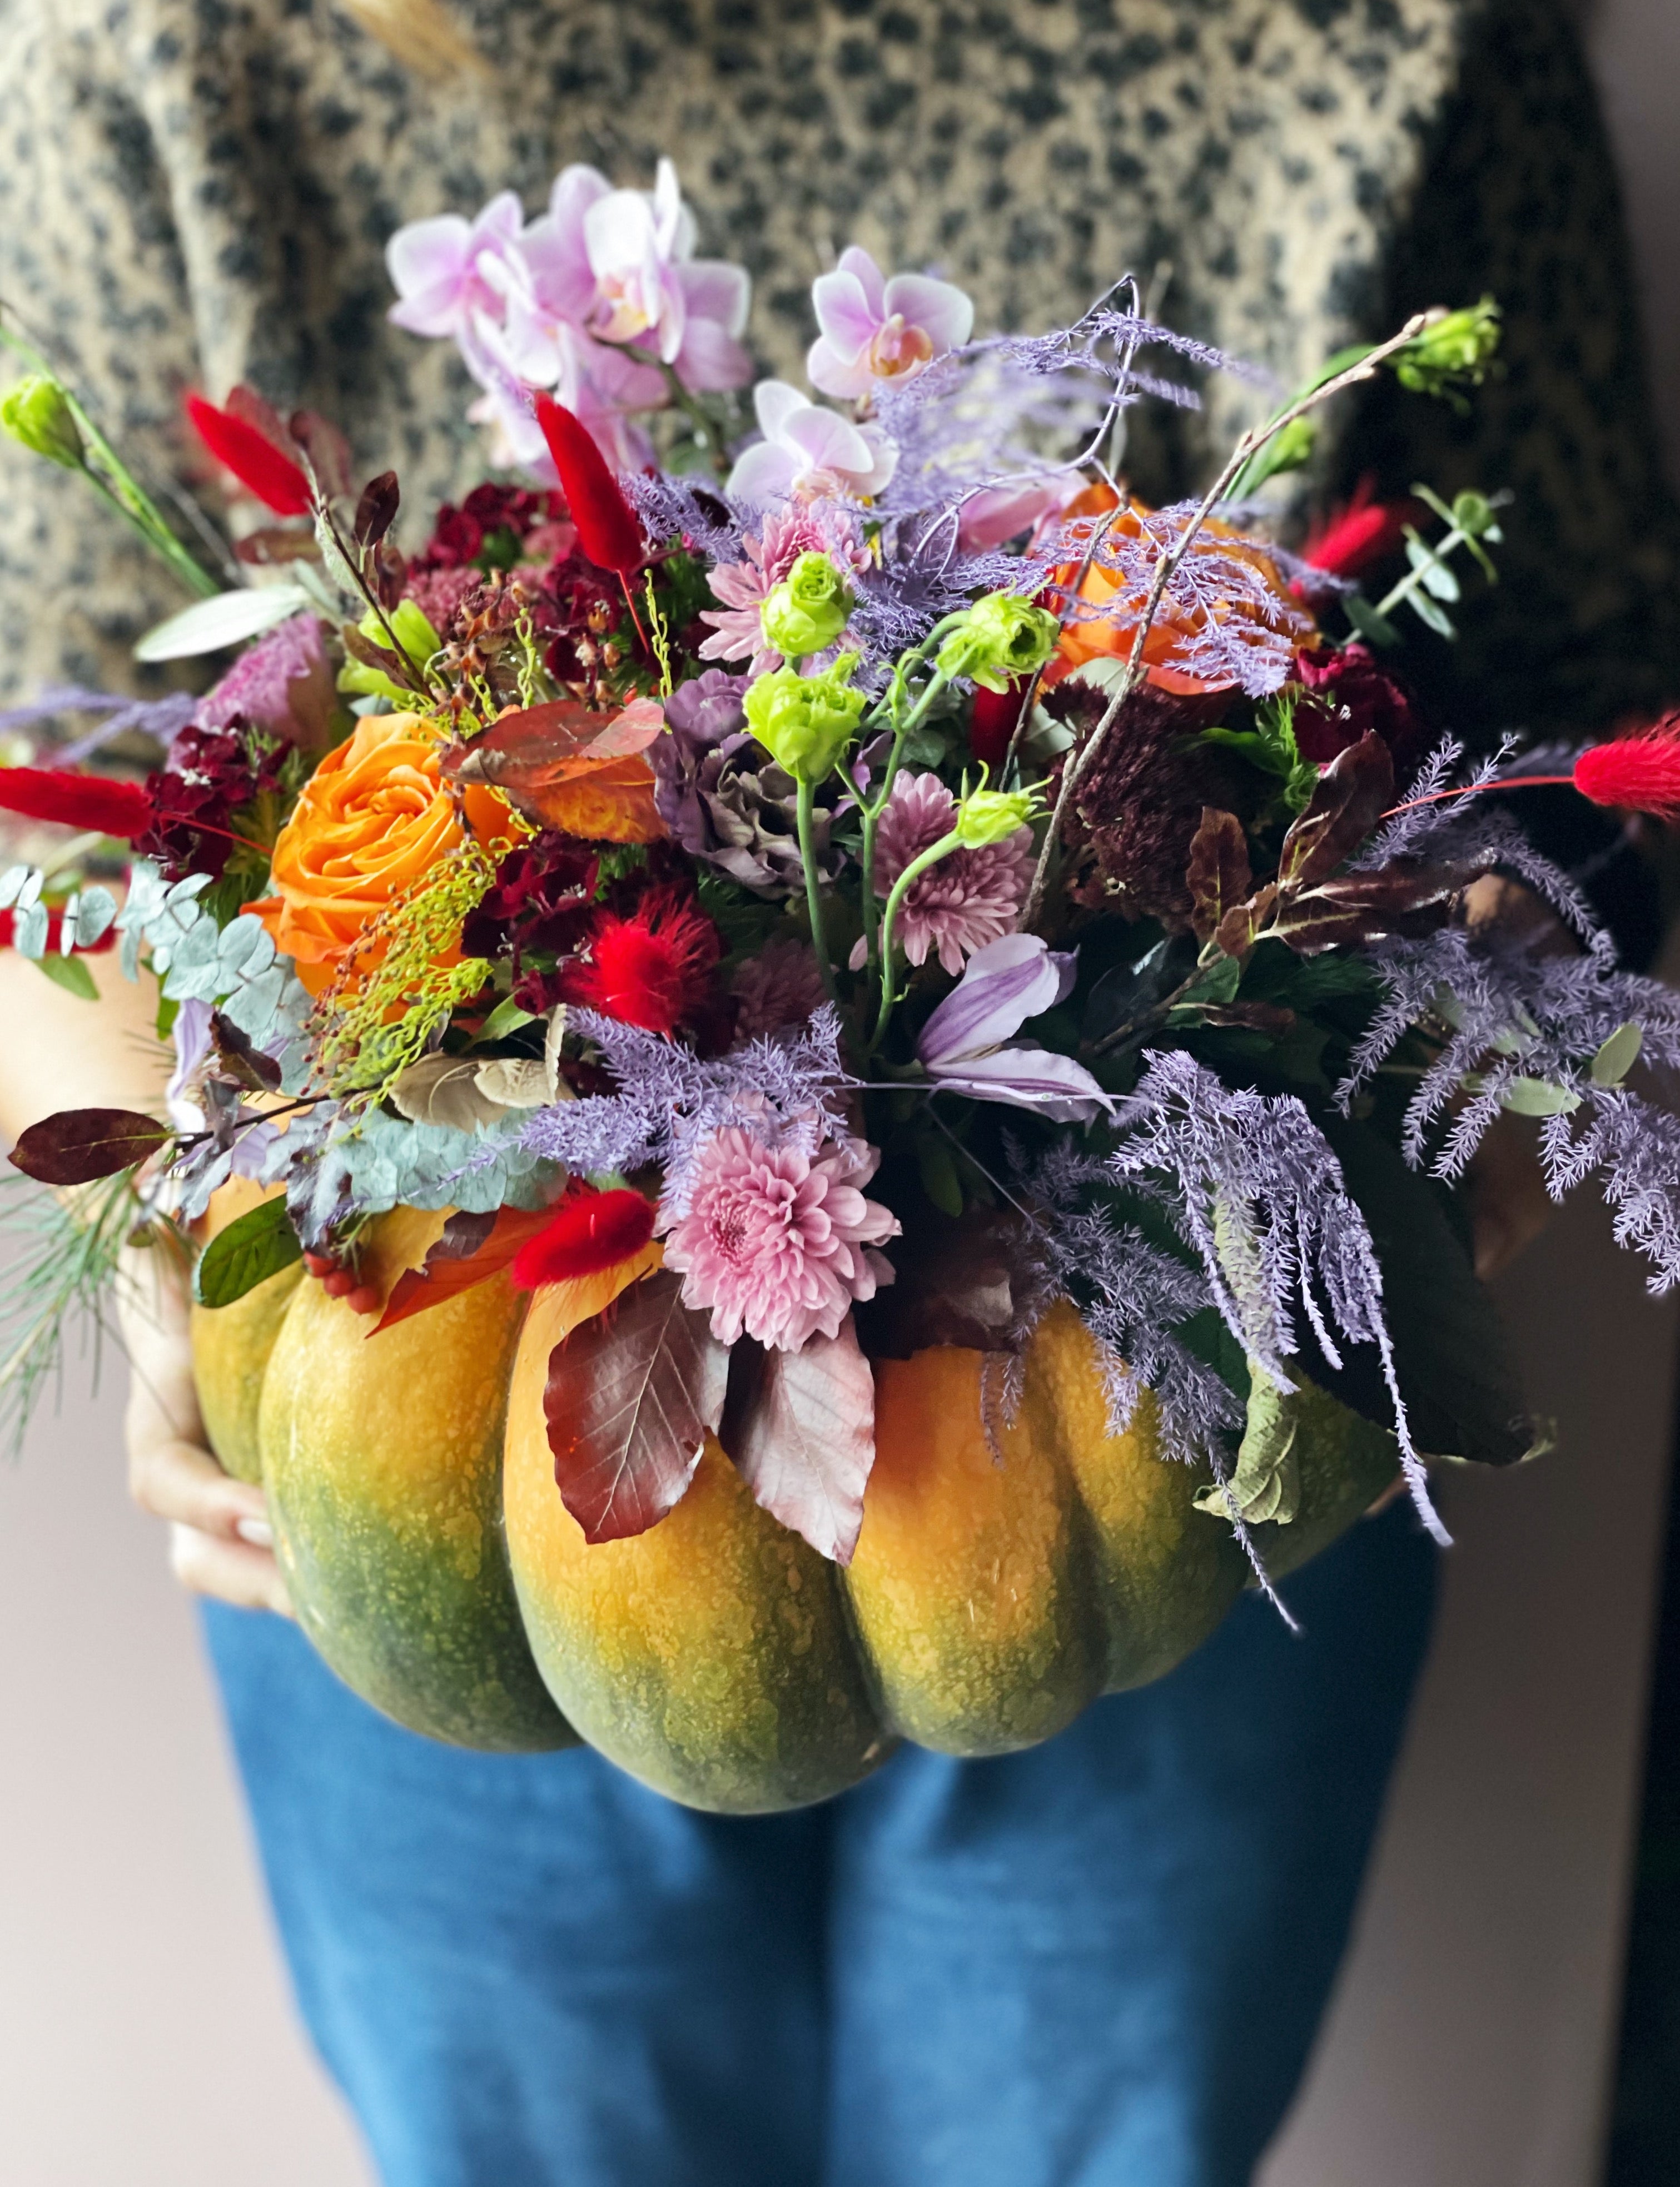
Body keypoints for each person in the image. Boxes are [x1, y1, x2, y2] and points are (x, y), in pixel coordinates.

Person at [0, 4, 1674, 2182]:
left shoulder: (1395, 31)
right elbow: (53, 797)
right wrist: (163, 1250)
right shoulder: (169, 37)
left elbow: (1580, 726)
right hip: (434, 1392)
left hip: (1195, 1400)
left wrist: (1456, 1155)